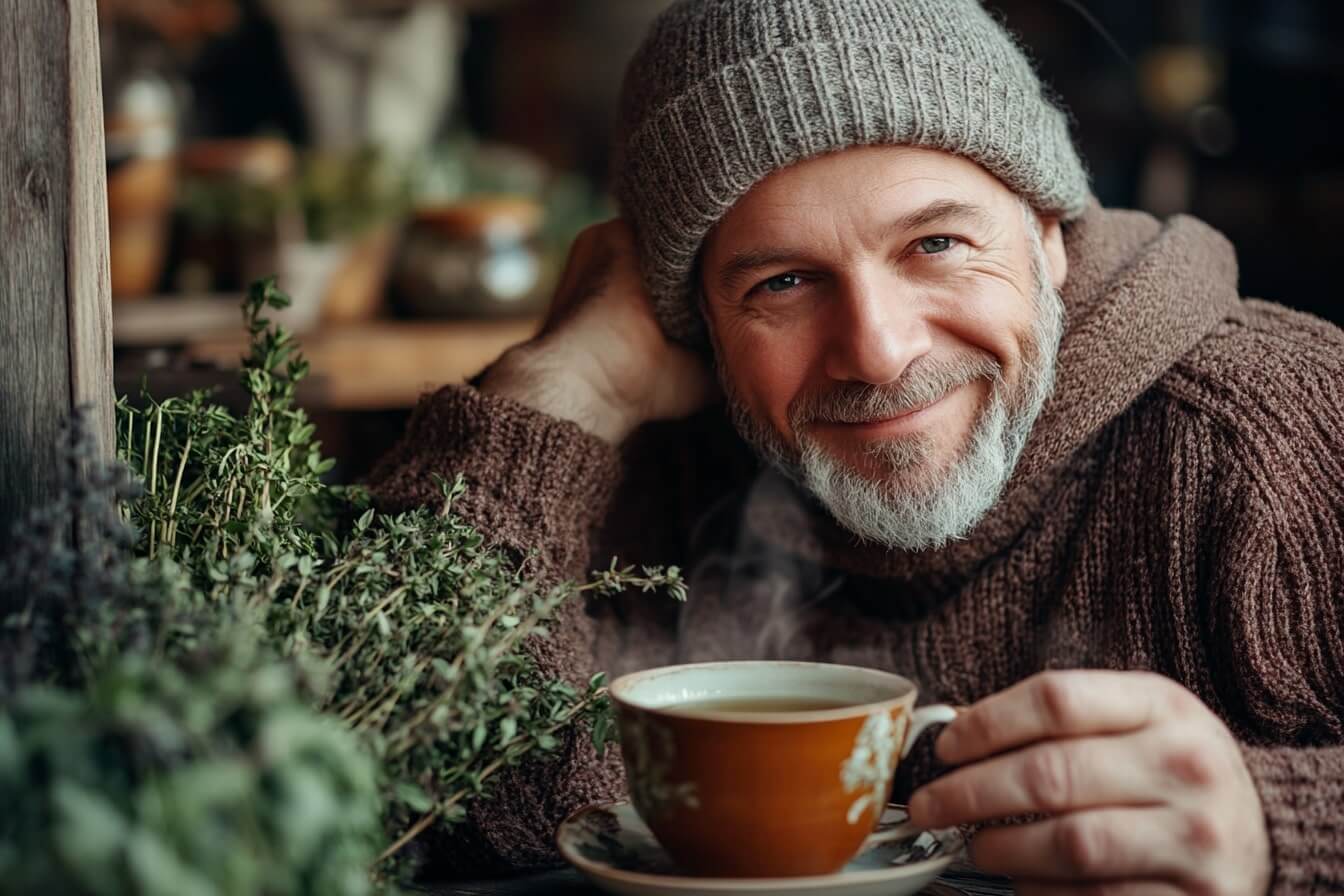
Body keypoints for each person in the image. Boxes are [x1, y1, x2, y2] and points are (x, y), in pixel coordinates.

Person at [368, 0, 1344, 891]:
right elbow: (382, 791)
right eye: (783, 283)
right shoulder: (633, 483)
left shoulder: (1278, 424)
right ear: (697, 321)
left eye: (937, 245)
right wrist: (555, 396)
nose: (878, 352)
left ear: (1049, 232)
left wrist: (1276, 823)